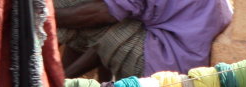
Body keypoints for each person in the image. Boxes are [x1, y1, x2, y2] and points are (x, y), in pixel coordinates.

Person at [54, 0, 232, 78]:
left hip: (161, 68)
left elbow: (103, 15)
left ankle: (54, 85)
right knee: (97, 16)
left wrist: (44, 16)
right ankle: (64, 84)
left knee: (71, 5)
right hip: (189, 63)